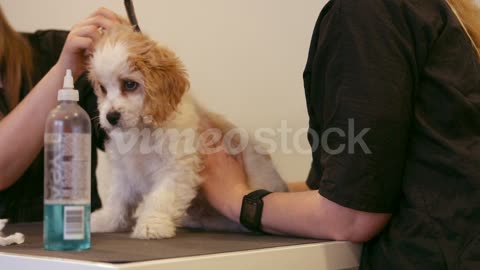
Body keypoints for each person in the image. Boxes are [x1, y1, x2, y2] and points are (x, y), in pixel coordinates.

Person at [200, 0, 480, 269]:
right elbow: (354, 185)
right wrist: (259, 179)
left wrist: (234, 199)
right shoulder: (433, 10)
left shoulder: (368, 11)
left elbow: (352, 215)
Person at [0, 6, 119, 222]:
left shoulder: (57, 49)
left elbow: (139, 139)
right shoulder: (66, 60)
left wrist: (132, 61)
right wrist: (63, 71)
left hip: (81, 243)